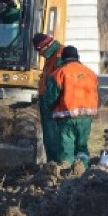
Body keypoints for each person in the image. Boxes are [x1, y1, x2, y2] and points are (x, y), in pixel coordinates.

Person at [43, 46, 99, 172]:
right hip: (86, 117)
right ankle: (83, 170)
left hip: (67, 117)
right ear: (77, 57)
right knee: (82, 146)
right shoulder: (90, 73)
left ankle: (65, 172)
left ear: (63, 58)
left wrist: (50, 108)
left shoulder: (59, 73)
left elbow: (51, 97)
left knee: (66, 146)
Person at [32, 33, 64, 163]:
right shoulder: (51, 56)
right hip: (48, 102)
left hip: (54, 104)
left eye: (40, 51)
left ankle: (56, 164)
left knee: (54, 138)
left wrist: (52, 101)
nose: (40, 54)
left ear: (47, 46)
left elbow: (60, 82)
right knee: (49, 137)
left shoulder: (59, 56)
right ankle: (52, 163)